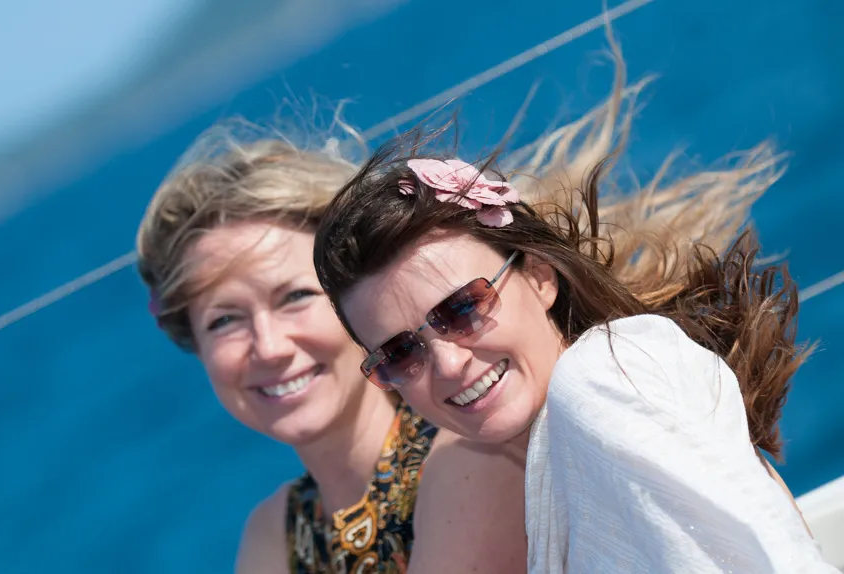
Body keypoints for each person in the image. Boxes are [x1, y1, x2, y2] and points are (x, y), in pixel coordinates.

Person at [135, 40, 792, 573]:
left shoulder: (479, 448)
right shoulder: (276, 532)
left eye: (297, 297)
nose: (269, 346)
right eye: (224, 319)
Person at [311, 82, 836, 574]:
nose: (447, 363)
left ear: (540, 277)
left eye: (462, 309)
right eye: (401, 352)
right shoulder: (559, 445)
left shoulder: (600, 385)